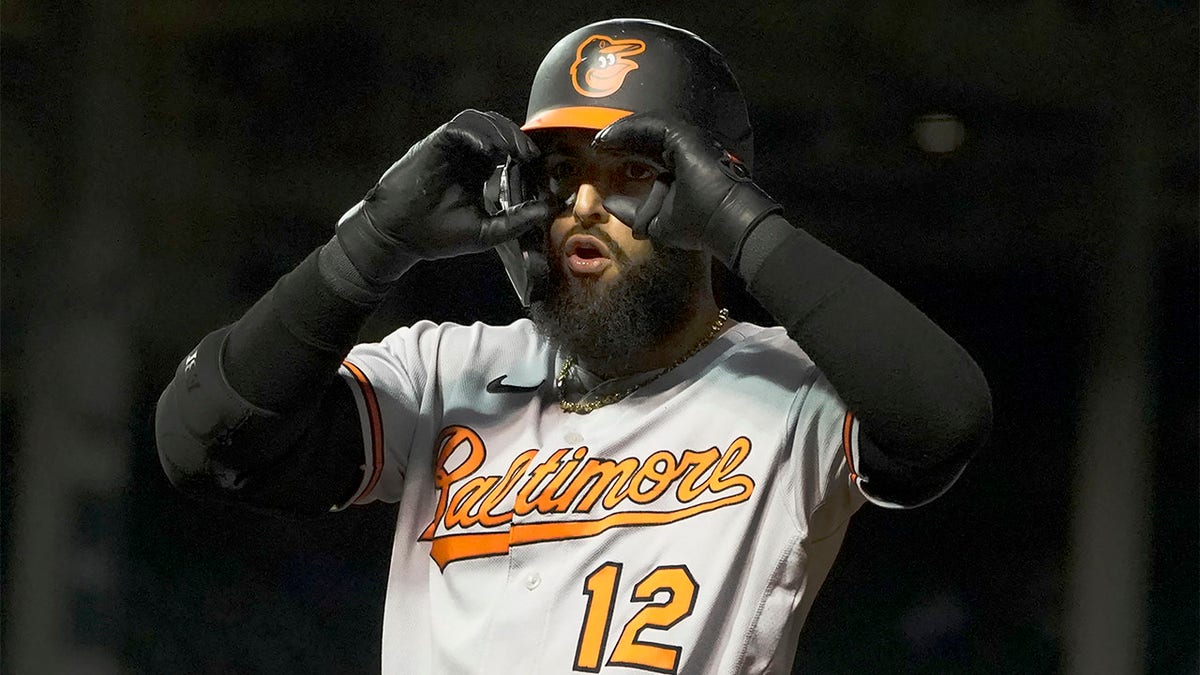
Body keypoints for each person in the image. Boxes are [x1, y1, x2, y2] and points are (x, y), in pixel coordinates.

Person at [155, 17, 991, 674]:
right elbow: (203, 439)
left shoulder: (790, 387)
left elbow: (944, 419)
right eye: (560, 170)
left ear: (706, 182)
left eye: (629, 168)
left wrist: (742, 226)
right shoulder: (445, 371)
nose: (584, 201)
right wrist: (372, 240)